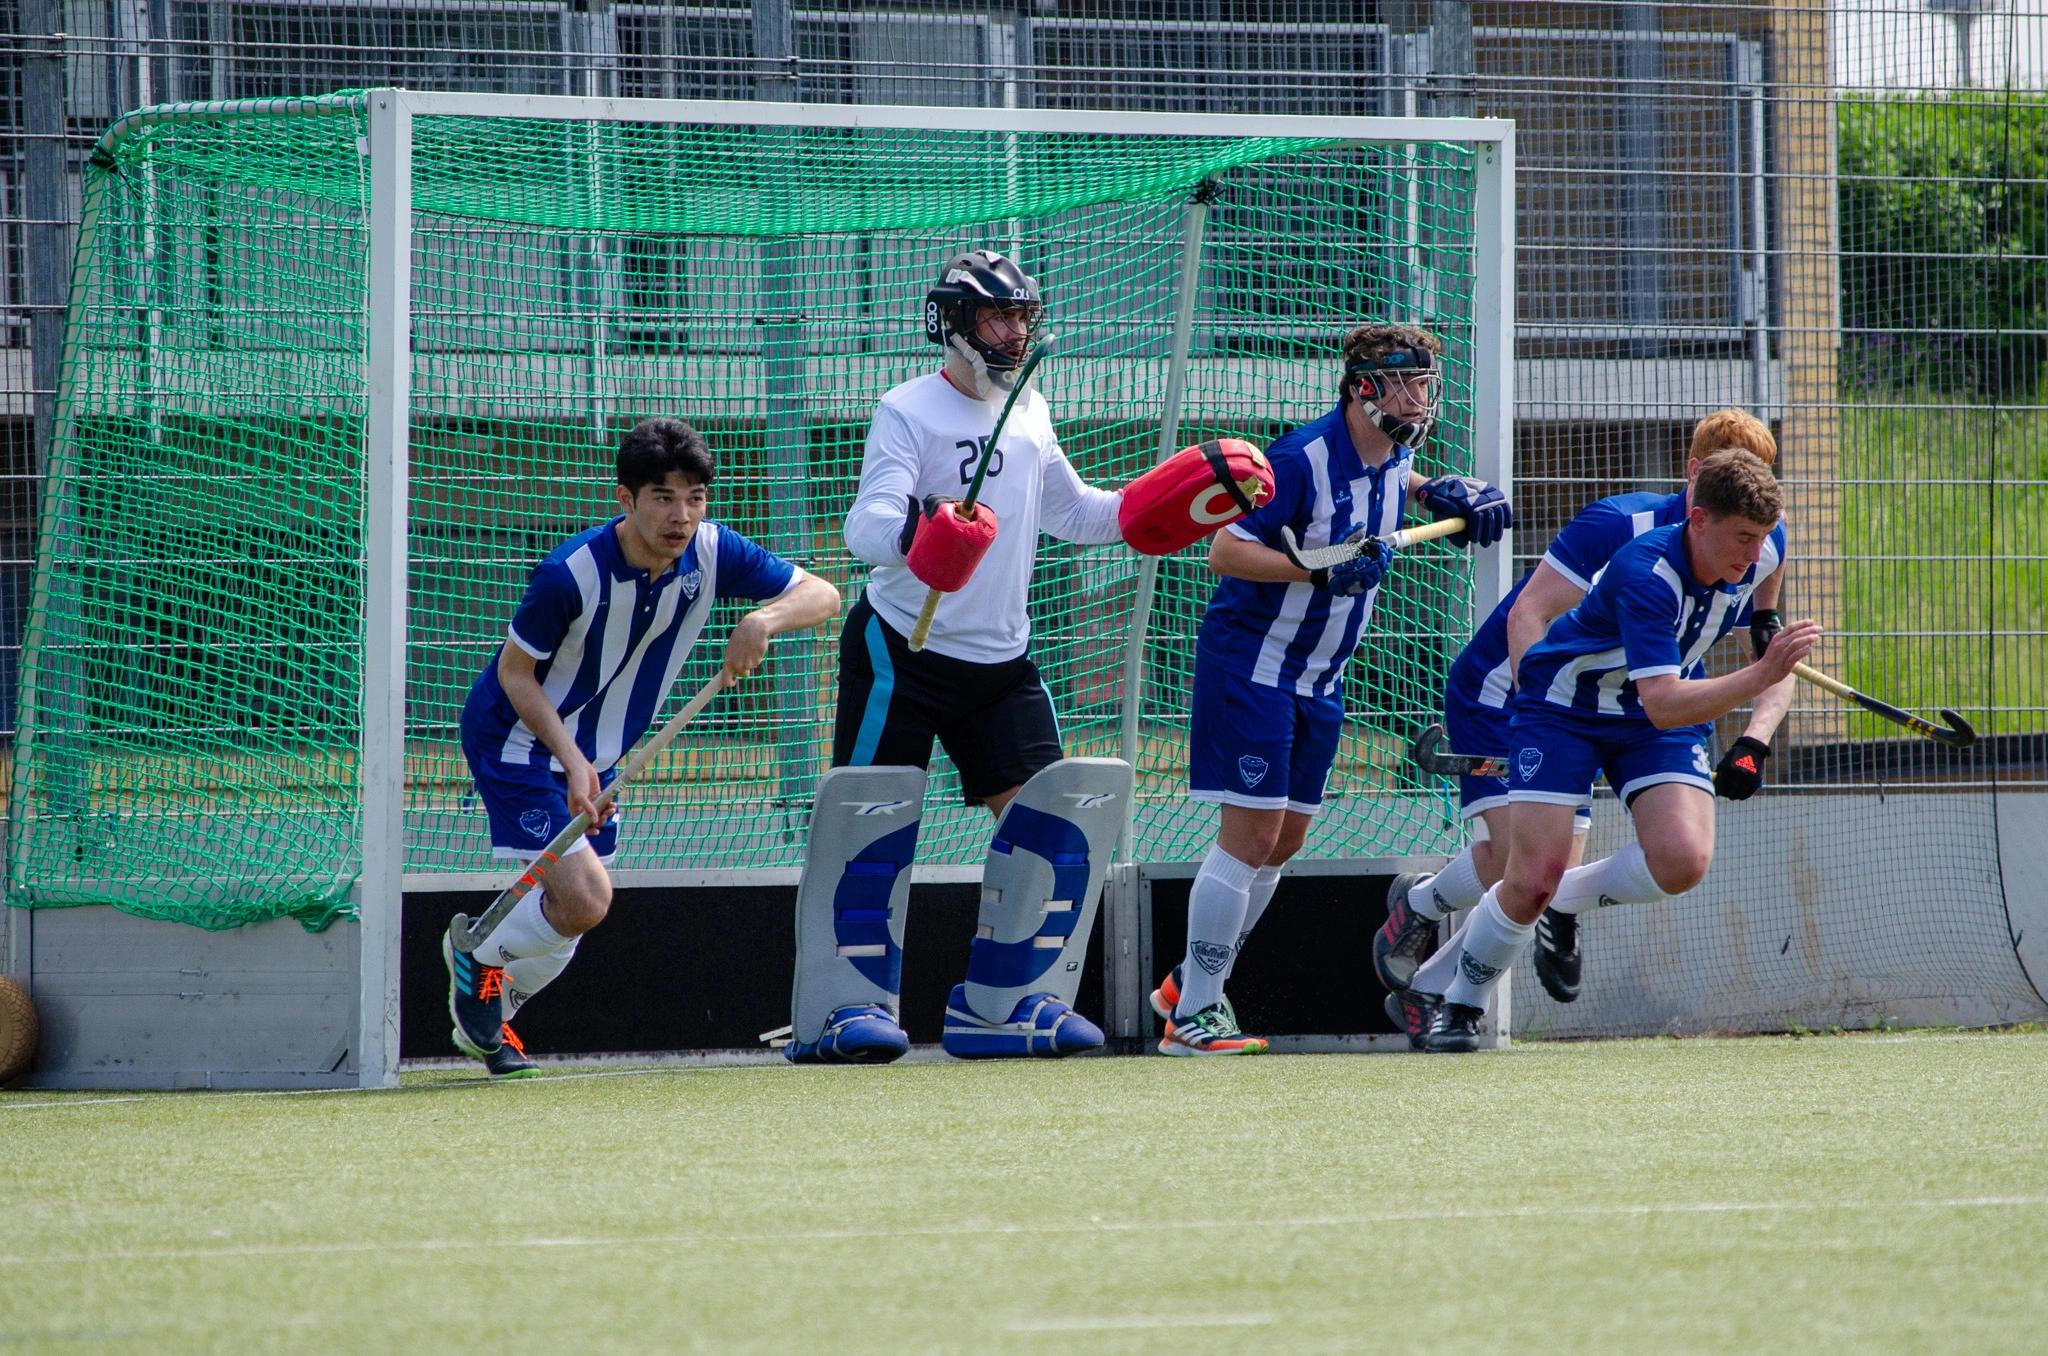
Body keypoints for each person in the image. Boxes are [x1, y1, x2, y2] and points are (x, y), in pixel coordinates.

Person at [783, 248, 1265, 1064]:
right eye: (996, 317)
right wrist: (924, 528)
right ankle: (844, 1011)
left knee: (1050, 826)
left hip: (1000, 662)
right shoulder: (908, 410)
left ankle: (997, 1009)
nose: (1013, 332)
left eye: (1021, 317)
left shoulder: (1032, 409)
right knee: (872, 828)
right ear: (955, 322)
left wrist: (1168, 507)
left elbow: (1079, 515)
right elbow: (864, 527)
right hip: (902, 648)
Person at [1149, 323, 1513, 1055]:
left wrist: (1437, 489)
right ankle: (1194, 1017)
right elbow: (1225, 548)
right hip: (1253, 665)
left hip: (1320, 675)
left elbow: (1387, 482)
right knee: (1249, 836)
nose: (1420, 397)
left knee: (1284, 840)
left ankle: (1188, 982)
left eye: (1425, 382)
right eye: (1405, 383)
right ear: (1362, 389)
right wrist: (1316, 569)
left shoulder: (1394, 453)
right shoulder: (1299, 459)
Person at [1376, 410, 1792, 1044]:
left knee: (1574, 875)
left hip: (1641, 698)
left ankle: (1432, 975)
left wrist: (1756, 737)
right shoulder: (1622, 533)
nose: (1755, 545)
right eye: (1733, 490)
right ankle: (1435, 935)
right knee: (1527, 869)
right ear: (1696, 481)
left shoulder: (1757, 542)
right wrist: (1529, 721)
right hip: (1521, 687)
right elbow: (1529, 617)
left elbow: (1767, 638)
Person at [445, 417, 841, 1076]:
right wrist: (572, 760)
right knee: (586, 897)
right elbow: (515, 675)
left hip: (600, 755)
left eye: (694, 497)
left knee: (573, 914)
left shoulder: (713, 554)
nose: (681, 514)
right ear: (625, 499)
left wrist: (761, 618)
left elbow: (823, 593)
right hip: (519, 738)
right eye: (662, 496)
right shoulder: (570, 575)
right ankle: (479, 956)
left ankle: (495, 1003)